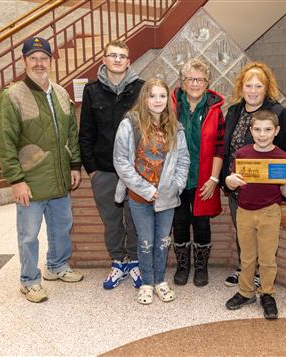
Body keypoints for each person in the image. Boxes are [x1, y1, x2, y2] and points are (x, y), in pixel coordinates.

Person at [0, 36, 83, 303]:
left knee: (61, 225)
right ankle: (29, 280)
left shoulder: (61, 92)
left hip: (58, 177)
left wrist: (74, 165)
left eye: (44, 58)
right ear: (24, 62)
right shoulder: (12, 97)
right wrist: (15, 180)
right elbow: (4, 142)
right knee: (29, 233)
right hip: (29, 181)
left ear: (51, 61)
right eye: (33, 58)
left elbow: (71, 133)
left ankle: (56, 266)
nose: (39, 63)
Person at [221, 62, 286, 287]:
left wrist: (283, 184)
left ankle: (261, 276)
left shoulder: (278, 113)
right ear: (241, 87)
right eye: (248, 85)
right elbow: (226, 148)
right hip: (239, 187)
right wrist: (227, 180)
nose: (253, 91)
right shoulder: (234, 111)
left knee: (263, 237)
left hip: (266, 191)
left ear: (267, 88)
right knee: (242, 230)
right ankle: (244, 269)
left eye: (258, 86)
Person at [113, 78, 189, 304]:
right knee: (145, 240)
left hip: (167, 196)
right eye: (152, 96)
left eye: (162, 96)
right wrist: (146, 189)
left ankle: (159, 281)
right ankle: (146, 282)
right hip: (139, 196)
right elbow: (121, 162)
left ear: (168, 99)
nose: (157, 101)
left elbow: (183, 159)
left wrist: (176, 185)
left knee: (164, 240)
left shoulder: (176, 126)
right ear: (144, 98)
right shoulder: (130, 124)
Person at [79, 40, 144, 290]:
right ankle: (118, 262)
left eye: (122, 56)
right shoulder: (92, 91)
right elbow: (86, 132)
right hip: (104, 171)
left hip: (136, 172)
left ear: (129, 62)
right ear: (103, 60)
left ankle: (135, 261)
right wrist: (92, 170)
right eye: (112, 55)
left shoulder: (141, 89)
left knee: (135, 218)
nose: (117, 60)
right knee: (112, 221)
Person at [224, 110, 286, 319]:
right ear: (251, 130)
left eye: (267, 130)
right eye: (257, 129)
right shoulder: (242, 154)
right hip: (244, 210)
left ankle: (267, 293)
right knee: (246, 257)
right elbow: (231, 182)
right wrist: (230, 181)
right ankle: (246, 291)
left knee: (267, 257)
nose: (262, 134)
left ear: (276, 131)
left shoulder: (282, 157)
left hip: (270, 212)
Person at [171, 58, 225, 287]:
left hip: (205, 178)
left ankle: (201, 268)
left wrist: (214, 179)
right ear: (182, 83)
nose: (195, 83)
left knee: (202, 223)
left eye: (200, 79)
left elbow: (220, 148)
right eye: (190, 79)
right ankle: (183, 266)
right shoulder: (171, 107)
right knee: (180, 222)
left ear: (207, 83)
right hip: (177, 178)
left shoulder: (215, 111)